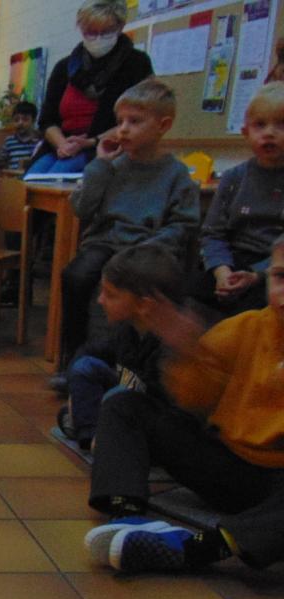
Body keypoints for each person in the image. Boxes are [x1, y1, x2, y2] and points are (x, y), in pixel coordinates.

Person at [85, 233, 284, 574]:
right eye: (281, 277)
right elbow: (195, 401)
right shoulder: (248, 327)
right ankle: (128, 514)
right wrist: (188, 352)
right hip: (230, 465)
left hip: (277, 492)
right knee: (125, 404)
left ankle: (195, 550)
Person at [59, 79, 198, 369]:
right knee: (77, 275)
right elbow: (81, 208)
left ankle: (123, 361)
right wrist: (99, 165)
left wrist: (151, 246)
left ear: (163, 125)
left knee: (129, 288)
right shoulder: (112, 165)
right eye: (120, 121)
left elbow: (183, 224)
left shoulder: (175, 173)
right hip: (105, 243)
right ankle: (73, 355)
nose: (123, 129)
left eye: (134, 121)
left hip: (147, 248)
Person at [58, 245, 176, 451]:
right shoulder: (127, 329)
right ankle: (91, 435)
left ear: (143, 304)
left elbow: (157, 398)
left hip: (155, 413)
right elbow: (90, 351)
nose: (100, 300)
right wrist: (74, 392)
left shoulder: (166, 345)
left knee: (116, 397)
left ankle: (101, 433)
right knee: (85, 366)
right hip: (129, 393)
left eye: (110, 295)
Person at [27, 0, 153, 175]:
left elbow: (140, 118)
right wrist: (63, 144)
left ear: (120, 26)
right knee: (31, 180)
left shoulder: (136, 64)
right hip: (61, 147)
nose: (98, 38)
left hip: (104, 148)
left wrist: (91, 142)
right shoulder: (65, 67)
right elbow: (47, 120)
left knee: (59, 177)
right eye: (91, 32)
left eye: (106, 32)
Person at [193, 82, 284, 317]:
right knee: (183, 297)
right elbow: (213, 233)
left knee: (253, 311)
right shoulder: (234, 177)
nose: (269, 133)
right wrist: (222, 272)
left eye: (281, 125)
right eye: (260, 125)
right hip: (230, 260)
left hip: (271, 269)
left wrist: (257, 276)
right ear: (246, 132)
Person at [0, 101, 42, 171]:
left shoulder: (38, 142)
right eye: (16, 120)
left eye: (25, 119)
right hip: (13, 177)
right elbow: (0, 162)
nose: (20, 123)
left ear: (33, 121)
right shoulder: (9, 141)